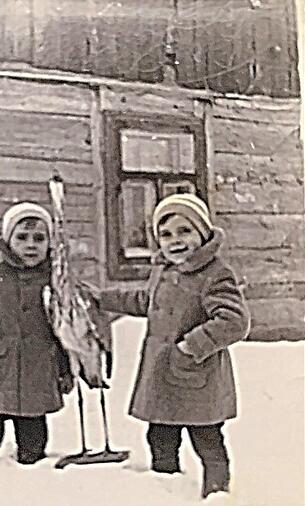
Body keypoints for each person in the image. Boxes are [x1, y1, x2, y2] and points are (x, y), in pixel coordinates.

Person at [86, 193, 251, 498]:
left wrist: (193, 344)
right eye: (166, 234)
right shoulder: (163, 272)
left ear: (202, 233)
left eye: (184, 231)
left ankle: (218, 495)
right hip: (163, 377)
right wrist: (103, 298)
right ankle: (167, 494)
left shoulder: (215, 274)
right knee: (160, 438)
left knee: (207, 441)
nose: (175, 241)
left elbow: (234, 321)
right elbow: (144, 301)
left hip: (197, 378)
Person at [0, 202, 73, 468]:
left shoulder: (56, 281)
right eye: (22, 237)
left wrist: (64, 371)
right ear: (7, 240)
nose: (31, 245)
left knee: (33, 444)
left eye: (39, 238)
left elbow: (62, 331)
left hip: (36, 378)